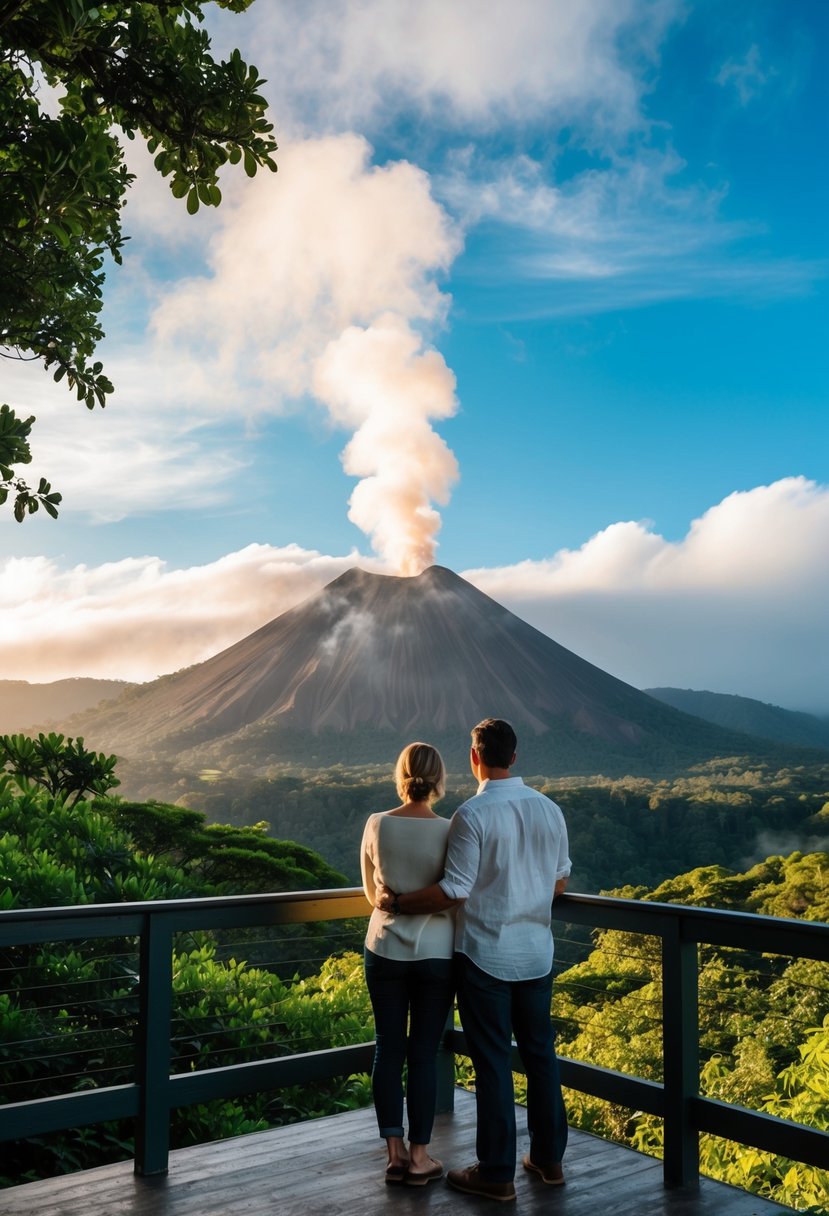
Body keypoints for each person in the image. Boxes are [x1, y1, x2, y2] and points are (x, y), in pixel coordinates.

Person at [377, 717, 571, 1203]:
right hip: (538, 952)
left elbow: (454, 891)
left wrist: (397, 904)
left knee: (492, 1063)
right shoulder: (551, 810)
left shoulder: (473, 814)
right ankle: (548, 1160)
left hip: (485, 955)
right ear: (515, 755)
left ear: (475, 757)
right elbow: (561, 880)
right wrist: (528, 895)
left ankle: (497, 1171)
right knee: (541, 1055)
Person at [360, 741, 456, 1187]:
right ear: (439, 779)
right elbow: (454, 896)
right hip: (437, 954)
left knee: (388, 1048)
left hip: (384, 950)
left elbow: (370, 894)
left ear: (400, 776)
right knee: (423, 1053)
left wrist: (394, 902)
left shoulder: (377, 824)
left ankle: (394, 1154)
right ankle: (421, 1158)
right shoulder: (451, 830)